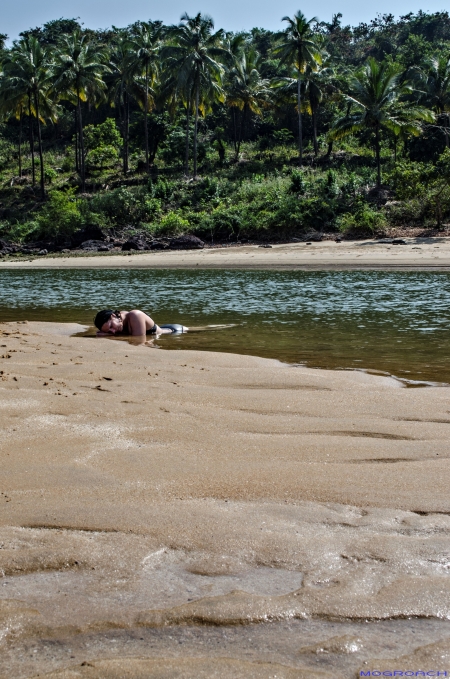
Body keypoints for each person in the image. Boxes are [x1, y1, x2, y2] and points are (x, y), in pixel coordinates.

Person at [94, 309, 187, 336]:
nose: (113, 331)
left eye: (111, 326)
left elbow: (138, 340)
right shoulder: (120, 319)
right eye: (109, 331)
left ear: (113, 316)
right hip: (163, 328)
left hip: (176, 331)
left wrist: (108, 336)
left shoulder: (135, 316)